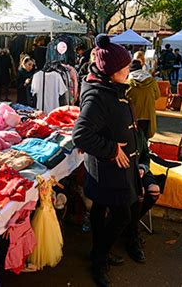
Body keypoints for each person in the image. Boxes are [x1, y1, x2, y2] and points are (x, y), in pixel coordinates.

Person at [73, 34, 145, 287]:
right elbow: (80, 135)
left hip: (115, 167)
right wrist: (112, 149)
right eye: (124, 67)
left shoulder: (109, 86)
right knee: (120, 216)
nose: (128, 71)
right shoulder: (97, 94)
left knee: (102, 210)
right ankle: (98, 260)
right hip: (109, 168)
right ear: (111, 70)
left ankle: (97, 252)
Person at [126, 60, 160, 138]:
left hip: (133, 117)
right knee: (145, 139)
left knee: (135, 141)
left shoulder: (127, 82)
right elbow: (157, 96)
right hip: (149, 115)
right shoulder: (152, 80)